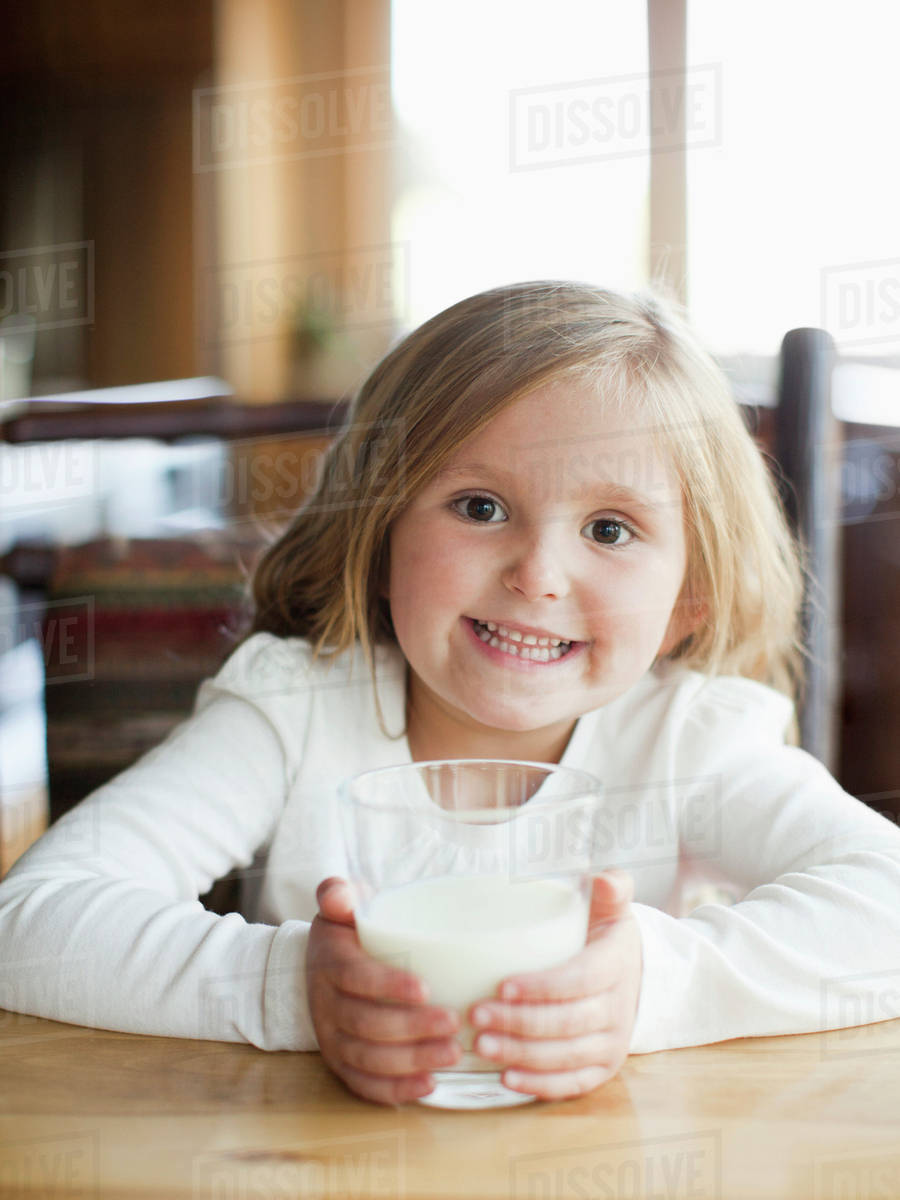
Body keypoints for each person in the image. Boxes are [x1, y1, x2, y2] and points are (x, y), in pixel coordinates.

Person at [1, 281, 899, 1107]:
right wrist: (287, 989)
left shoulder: (688, 740)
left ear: (685, 603)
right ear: (378, 530)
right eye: (479, 507)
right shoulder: (294, 710)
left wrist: (656, 988)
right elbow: (31, 926)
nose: (539, 575)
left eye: (610, 529)